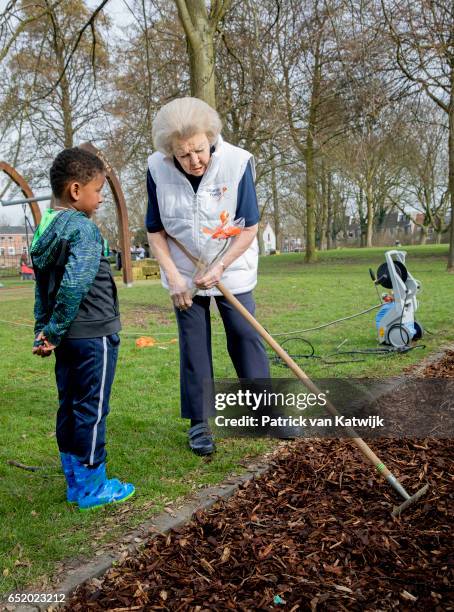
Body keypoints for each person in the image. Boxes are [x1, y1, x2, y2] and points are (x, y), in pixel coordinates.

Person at [146, 97, 270, 456]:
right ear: (171, 151)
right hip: (184, 274)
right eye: (183, 155)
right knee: (194, 346)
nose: (194, 161)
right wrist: (174, 278)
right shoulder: (157, 168)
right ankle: (200, 422)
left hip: (231, 267)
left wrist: (220, 267)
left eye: (199, 150)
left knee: (246, 338)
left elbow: (249, 227)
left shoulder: (238, 162)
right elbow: (155, 230)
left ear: (210, 138)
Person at [31, 147, 135, 511]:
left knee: (70, 405)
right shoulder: (83, 229)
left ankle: (74, 481)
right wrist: (55, 328)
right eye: (98, 189)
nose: (102, 196)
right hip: (95, 336)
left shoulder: (46, 227)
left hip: (68, 341)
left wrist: (44, 331)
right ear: (76, 191)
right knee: (92, 409)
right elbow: (74, 284)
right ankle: (93, 486)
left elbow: (41, 285)